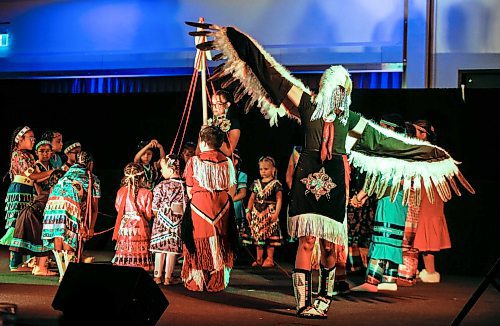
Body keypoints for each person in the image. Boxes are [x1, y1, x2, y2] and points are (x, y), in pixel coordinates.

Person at [187, 21, 474, 318]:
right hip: (307, 180)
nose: (335, 92)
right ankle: (303, 302)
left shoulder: (351, 120)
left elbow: (386, 142)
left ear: (347, 91)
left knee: (328, 246)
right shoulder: (307, 105)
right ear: (323, 86)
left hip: (334, 183)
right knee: (307, 240)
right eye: (331, 85)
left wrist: (431, 153)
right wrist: (234, 38)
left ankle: (324, 296)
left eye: (341, 88)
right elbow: (269, 72)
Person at [350, 114, 409, 293]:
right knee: (392, 238)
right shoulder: (403, 149)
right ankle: (390, 279)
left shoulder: (388, 151)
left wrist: (360, 196)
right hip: (399, 200)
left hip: (389, 200)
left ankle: (372, 280)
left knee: (382, 236)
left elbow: (378, 179)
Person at [181, 125, 238, 292]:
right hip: (222, 205)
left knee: (197, 240)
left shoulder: (194, 161)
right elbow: (231, 186)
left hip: (200, 205)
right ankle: (217, 281)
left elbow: (190, 189)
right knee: (220, 240)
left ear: (203, 141)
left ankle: (198, 281)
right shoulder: (227, 162)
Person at [1, 126, 54, 272]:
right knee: (16, 225)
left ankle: (25, 261)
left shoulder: (29, 156)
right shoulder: (18, 155)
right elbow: (31, 176)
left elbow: (39, 176)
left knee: (24, 224)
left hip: (27, 190)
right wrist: (54, 171)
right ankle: (14, 264)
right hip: (18, 191)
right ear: (20, 139)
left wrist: (51, 174)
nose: (33, 140)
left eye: (33, 138)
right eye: (30, 138)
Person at [42, 151, 100, 282]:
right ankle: (68, 276)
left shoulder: (66, 174)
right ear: (90, 163)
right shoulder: (92, 178)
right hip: (71, 205)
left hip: (53, 204)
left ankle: (63, 274)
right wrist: (91, 227)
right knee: (68, 236)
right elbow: (94, 208)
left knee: (59, 234)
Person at [412, 120, 451, 283]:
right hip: (430, 192)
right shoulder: (434, 151)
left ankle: (430, 271)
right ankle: (428, 270)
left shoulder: (427, 151)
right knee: (423, 228)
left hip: (428, 193)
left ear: (423, 134)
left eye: (416, 131)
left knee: (425, 226)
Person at [9, 170, 65, 276]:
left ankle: (37, 266)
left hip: (27, 213)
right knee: (47, 236)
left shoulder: (50, 190)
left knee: (40, 237)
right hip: (33, 215)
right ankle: (40, 268)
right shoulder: (56, 192)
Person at [150, 155, 187, 285]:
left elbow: (154, 207)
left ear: (171, 170)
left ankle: (157, 276)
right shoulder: (185, 186)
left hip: (161, 221)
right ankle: (168, 277)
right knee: (172, 250)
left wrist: (159, 214)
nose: (161, 171)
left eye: (163, 169)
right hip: (177, 221)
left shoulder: (161, 186)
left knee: (160, 249)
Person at [112, 162, 154, 271]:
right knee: (139, 249)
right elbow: (148, 214)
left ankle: (125, 267)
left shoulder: (121, 191)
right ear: (142, 178)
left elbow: (118, 208)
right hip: (140, 226)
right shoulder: (147, 193)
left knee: (127, 246)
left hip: (125, 225)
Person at [244, 156, 283, 267]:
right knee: (258, 236)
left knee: (270, 237)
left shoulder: (276, 184)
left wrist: (276, 214)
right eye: (261, 169)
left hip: (270, 212)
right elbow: (252, 198)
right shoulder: (256, 183)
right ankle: (259, 259)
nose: (263, 172)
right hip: (257, 213)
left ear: (273, 170)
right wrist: (248, 210)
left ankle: (269, 259)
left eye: (266, 169)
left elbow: (279, 199)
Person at [207, 90, 241, 157]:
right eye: (212, 104)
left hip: (224, 163)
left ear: (227, 105)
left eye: (218, 104)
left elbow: (228, 151)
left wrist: (211, 135)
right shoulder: (209, 124)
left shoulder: (233, 123)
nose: (215, 107)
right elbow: (197, 152)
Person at [231, 149, 248, 243]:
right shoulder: (222, 174)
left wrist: (231, 199)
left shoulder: (241, 175)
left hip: (234, 203)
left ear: (235, 161)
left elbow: (243, 193)